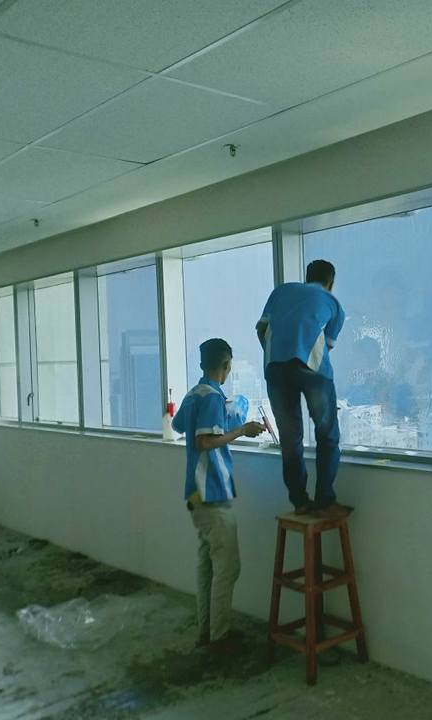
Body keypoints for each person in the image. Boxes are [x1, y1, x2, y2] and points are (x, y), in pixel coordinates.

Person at [172, 338, 264, 652]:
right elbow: (205, 442)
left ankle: (206, 630)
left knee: (207, 565)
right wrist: (242, 430)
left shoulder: (194, 394)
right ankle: (220, 637)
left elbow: (179, 423)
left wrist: (225, 417)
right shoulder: (212, 396)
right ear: (226, 365)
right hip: (211, 493)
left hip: (195, 496)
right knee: (228, 567)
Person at [256, 259, 351, 518]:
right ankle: (325, 501)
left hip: (275, 368)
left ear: (306, 277)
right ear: (331, 282)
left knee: (290, 438)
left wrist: (276, 354)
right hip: (310, 369)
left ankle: (299, 500)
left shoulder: (281, 291)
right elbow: (326, 346)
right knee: (327, 435)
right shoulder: (332, 303)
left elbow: (261, 328)